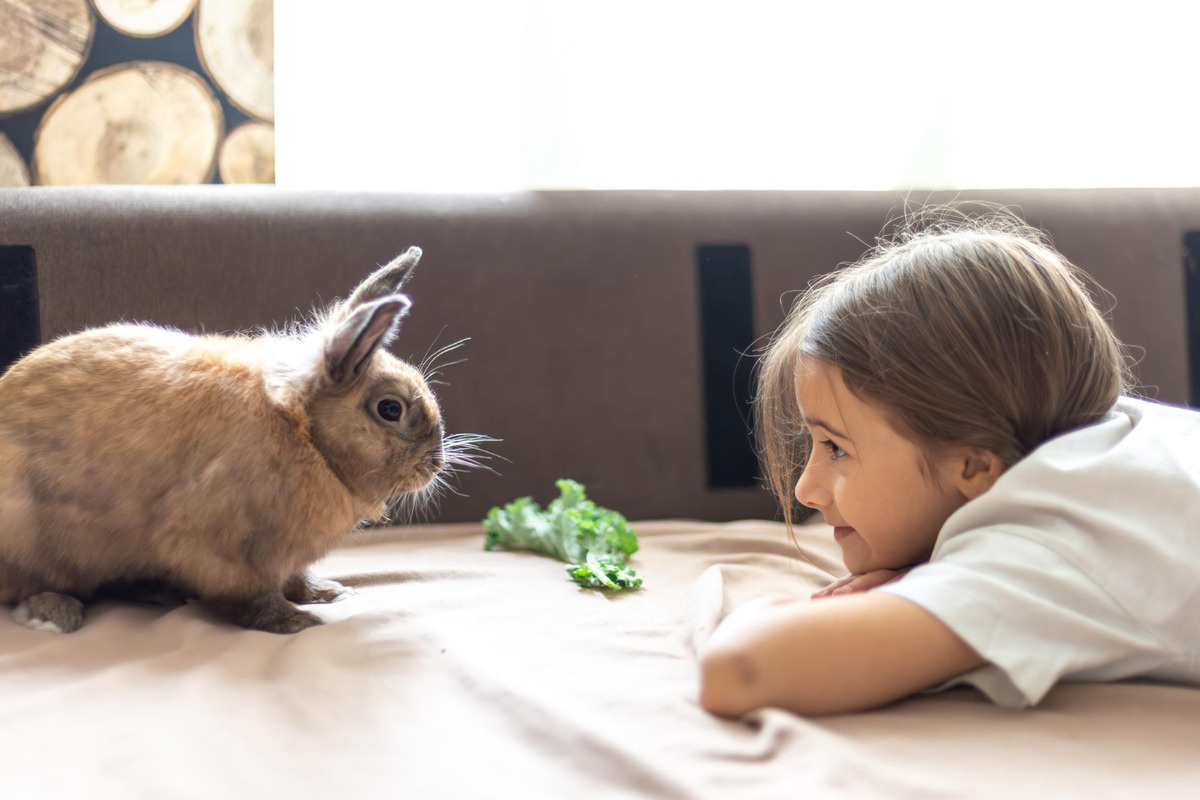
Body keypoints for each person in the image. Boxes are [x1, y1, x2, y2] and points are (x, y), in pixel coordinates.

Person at [697, 208, 1200, 716]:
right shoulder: (1128, 428)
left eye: (836, 448)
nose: (807, 489)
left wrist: (767, 608)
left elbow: (738, 670)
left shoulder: (1039, 553)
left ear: (973, 469)